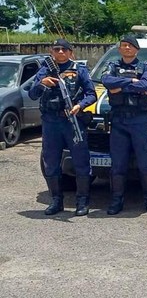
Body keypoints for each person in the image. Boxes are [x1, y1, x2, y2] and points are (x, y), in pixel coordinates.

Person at [29, 39, 96, 216]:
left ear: (70, 52)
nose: (60, 52)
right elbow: (32, 94)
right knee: (50, 162)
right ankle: (56, 201)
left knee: (81, 161)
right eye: (56, 49)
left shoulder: (79, 69)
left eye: (64, 49)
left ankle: (82, 202)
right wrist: (42, 83)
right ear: (51, 51)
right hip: (51, 122)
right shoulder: (44, 70)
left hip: (72, 121)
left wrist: (80, 105)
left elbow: (91, 94)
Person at [102, 35, 147, 215]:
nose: (126, 48)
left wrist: (121, 86)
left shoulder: (146, 67)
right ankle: (117, 200)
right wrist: (132, 81)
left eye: (130, 46)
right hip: (119, 120)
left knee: (145, 163)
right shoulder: (112, 66)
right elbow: (107, 82)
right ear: (120, 49)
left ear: (136, 50)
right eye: (123, 45)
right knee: (118, 164)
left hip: (139, 120)